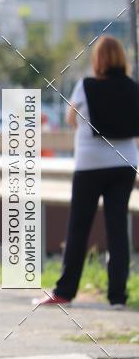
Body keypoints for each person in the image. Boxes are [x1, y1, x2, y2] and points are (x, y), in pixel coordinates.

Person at [38, 35, 139, 308]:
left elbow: (71, 119)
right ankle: (118, 296)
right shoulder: (133, 88)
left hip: (90, 165)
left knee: (79, 227)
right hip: (125, 163)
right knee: (118, 229)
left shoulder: (86, 86)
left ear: (98, 60)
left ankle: (64, 292)